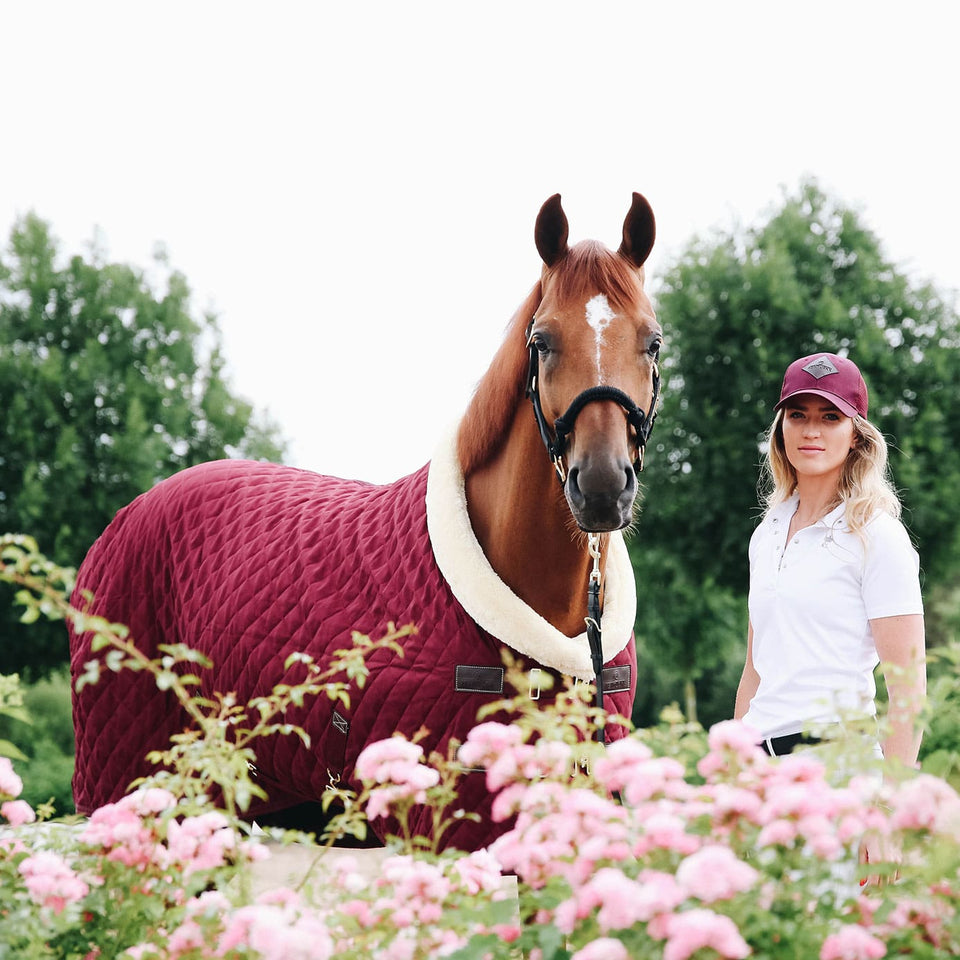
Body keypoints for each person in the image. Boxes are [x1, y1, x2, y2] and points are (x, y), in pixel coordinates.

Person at [734, 351, 926, 884]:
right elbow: (755, 668)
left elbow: (908, 689)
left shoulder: (877, 536)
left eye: (830, 417)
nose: (811, 430)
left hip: (838, 779)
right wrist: (733, 773)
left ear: (857, 435)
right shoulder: (767, 532)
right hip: (760, 779)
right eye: (798, 415)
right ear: (780, 430)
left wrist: (886, 811)